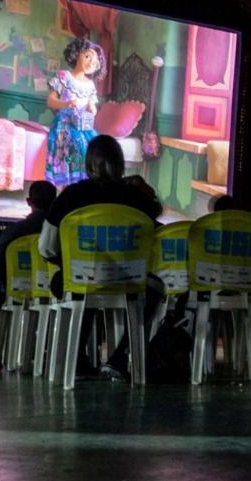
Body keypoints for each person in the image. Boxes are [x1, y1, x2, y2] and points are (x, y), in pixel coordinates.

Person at [40, 135, 163, 380]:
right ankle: (119, 358)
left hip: (76, 280)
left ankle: (77, 359)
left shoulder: (70, 196)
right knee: (156, 288)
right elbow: (156, 221)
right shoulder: (135, 198)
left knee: (82, 281)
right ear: (120, 164)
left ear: (89, 163)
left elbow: (46, 248)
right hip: (128, 282)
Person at [0, 180, 57, 373]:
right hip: (53, 290)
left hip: (18, 288)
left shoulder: (14, 231)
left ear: (28, 201)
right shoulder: (60, 230)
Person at [46, 37, 104, 187]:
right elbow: (51, 101)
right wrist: (66, 104)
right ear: (76, 54)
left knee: (93, 145)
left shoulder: (90, 84)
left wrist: (92, 109)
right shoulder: (64, 76)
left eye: (95, 61)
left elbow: (92, 105)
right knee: (74, 143)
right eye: (87, 56)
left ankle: (85, 183)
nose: (91, 62)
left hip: (83, 124)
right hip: (65, 121)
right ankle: (67, 182)